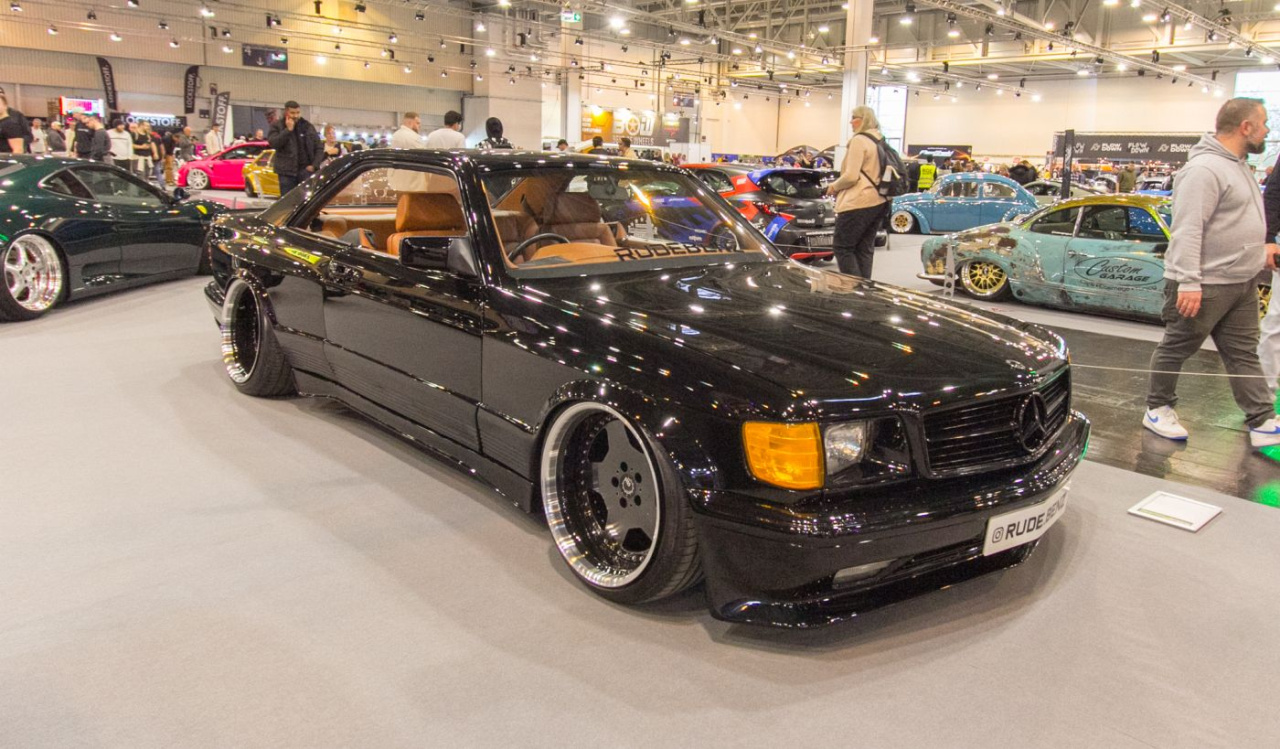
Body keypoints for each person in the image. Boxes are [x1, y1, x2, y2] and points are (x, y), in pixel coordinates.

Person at [1143, 97, 1280, 448]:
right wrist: (1189, 281)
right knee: (1177, 347)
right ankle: (1157, 409)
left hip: (1240, 282)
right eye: (1264, 123)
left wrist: (1260, 249)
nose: (1267, 130)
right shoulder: (1204, 170)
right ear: (1245, 127)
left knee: (1243, 352)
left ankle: (1262, 419)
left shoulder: (1239, 165)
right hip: (1205, 283)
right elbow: (1188, 229)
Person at [824, 105, 889, 279]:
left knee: (842, 248)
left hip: (858, 201)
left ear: (863, 120)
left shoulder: (859, 140)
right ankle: (864, 289)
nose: (851, 122)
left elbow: (851, 176)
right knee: (864, 249)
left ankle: (853, 288)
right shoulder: (879, 140)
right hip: (879, 202)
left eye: (854, 117)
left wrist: (834, 186)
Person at [267, 100, 323, 195]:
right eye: (292, 113)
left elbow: (319, 147)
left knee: (307, 200)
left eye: (298, 112)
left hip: (306, 171)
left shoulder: (307, 126)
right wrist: (288, 130)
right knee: (288, 201)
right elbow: (274, 143)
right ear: (286, 112)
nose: (296, 115)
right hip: (286, 173)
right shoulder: (277, 126)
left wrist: (314, 165)